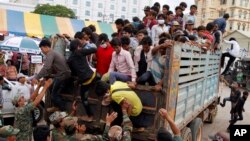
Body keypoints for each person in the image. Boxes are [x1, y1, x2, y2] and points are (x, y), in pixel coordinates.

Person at [32, 39, 71, 112]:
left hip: (62, 75)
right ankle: (56, 106)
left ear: (46, 47)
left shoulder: (50, 53)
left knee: (54, 95)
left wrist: (37, 77)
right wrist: (44, 77)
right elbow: (49, 69)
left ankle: (63, 110)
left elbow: (46, 67)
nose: (42, 51)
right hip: (63, 74)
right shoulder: (54, 53)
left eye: (42, 48)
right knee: (51, 89)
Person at [68, 39, 97, 122]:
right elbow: (94, 49)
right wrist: (86, 45)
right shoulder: (80, 51)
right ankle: (90, 115)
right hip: (92, 76)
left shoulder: (69, 59)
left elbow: (74, 73)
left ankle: (90, 116)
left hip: (85, 79)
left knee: (84, 99)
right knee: (85, 98)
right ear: (78, 46)